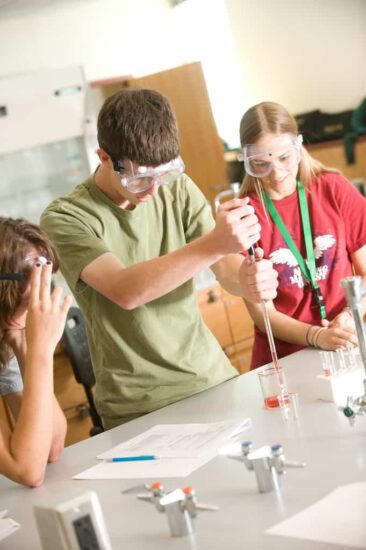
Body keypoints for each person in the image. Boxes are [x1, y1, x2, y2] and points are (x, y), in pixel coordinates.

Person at [40, 88, 278, 429]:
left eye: (163, 174)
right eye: (139, 179)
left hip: (211, 379)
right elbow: (126, 291)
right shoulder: (66, 217)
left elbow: (225, 268)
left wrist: (248, 279)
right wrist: (215, 243)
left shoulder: (177, 186)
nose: (154, 190)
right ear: (104, 157)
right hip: (137, 406)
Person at [238, 101, 366, 370]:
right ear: (248, 161)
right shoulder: (245, 216)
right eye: (261, 164)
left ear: (298, 146)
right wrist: (316, 335)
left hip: (344, 343)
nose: (277, 173)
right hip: (286, 361)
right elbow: (263, 314)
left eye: (284, 159)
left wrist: (349, 315)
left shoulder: (334, 189)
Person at [0, 217, 71, 486]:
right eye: (35, 288)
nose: (43, 299)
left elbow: (52, 444)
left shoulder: (7, 330)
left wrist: (23, 344)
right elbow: (27, 470)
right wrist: (41, 348)